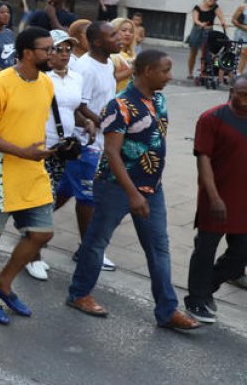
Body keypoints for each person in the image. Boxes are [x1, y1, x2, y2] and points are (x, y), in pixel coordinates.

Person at [66, 50, 201, 331]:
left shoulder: (159, 100)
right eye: (165, 70)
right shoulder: (120, 106)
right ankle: (79, 294)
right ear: (147, 71)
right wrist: (133, 194)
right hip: (117, 187)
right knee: (96, 242)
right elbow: (113, 154)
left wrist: (147, 189)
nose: (170, 75)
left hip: (152, 187)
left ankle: (167, 310)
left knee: (159, 249)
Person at [0, 27, 55, 325]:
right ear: (28, 53)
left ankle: (4, 282)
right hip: (0, 172)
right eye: (47, 49)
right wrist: (21, 151)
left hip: (33, 170)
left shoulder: (46, 83)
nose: (52, 54)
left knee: (42, 233)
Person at [26, 30, 97, 282]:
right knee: (41, 201)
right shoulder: (40, 77)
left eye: (68, 49)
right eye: (58, 49)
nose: (64, 54)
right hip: (40, 147)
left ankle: (30, 247)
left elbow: (71, 108)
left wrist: (85, 122)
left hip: (62, 149)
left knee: (49, 197)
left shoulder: (76, 78)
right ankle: (32, 255)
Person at [183, 75, 247, 321]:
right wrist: (214, 197)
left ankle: (206, 286)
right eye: (242, 94)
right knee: (206, 248)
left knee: (240, 253)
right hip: (217, 197)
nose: (245, 100)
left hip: (244, 198)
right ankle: (196, 300)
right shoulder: (212, 118)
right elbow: (203, 159)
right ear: (232, 91)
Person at [71, 21, 120, 272]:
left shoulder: (108, 62)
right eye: (113, 35)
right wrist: (104, 122)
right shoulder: (85, 68)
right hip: (85, 142)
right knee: (88, 198)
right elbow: (79, 105)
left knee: (67, 191)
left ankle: (31, 231)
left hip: (101, 141)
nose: (119, 37)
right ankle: (89, 250)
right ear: (98, 42)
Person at [186, 0, 228, 80]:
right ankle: (190, 73)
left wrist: (223, 22)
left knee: (206, 53)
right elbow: (195, 19)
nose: (213, 0)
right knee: (193, 52)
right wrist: (201, 24)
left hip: (209, 31)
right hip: (197, 31)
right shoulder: (197, 7)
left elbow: (221, 16)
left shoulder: (215, 7)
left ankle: (204, 71)